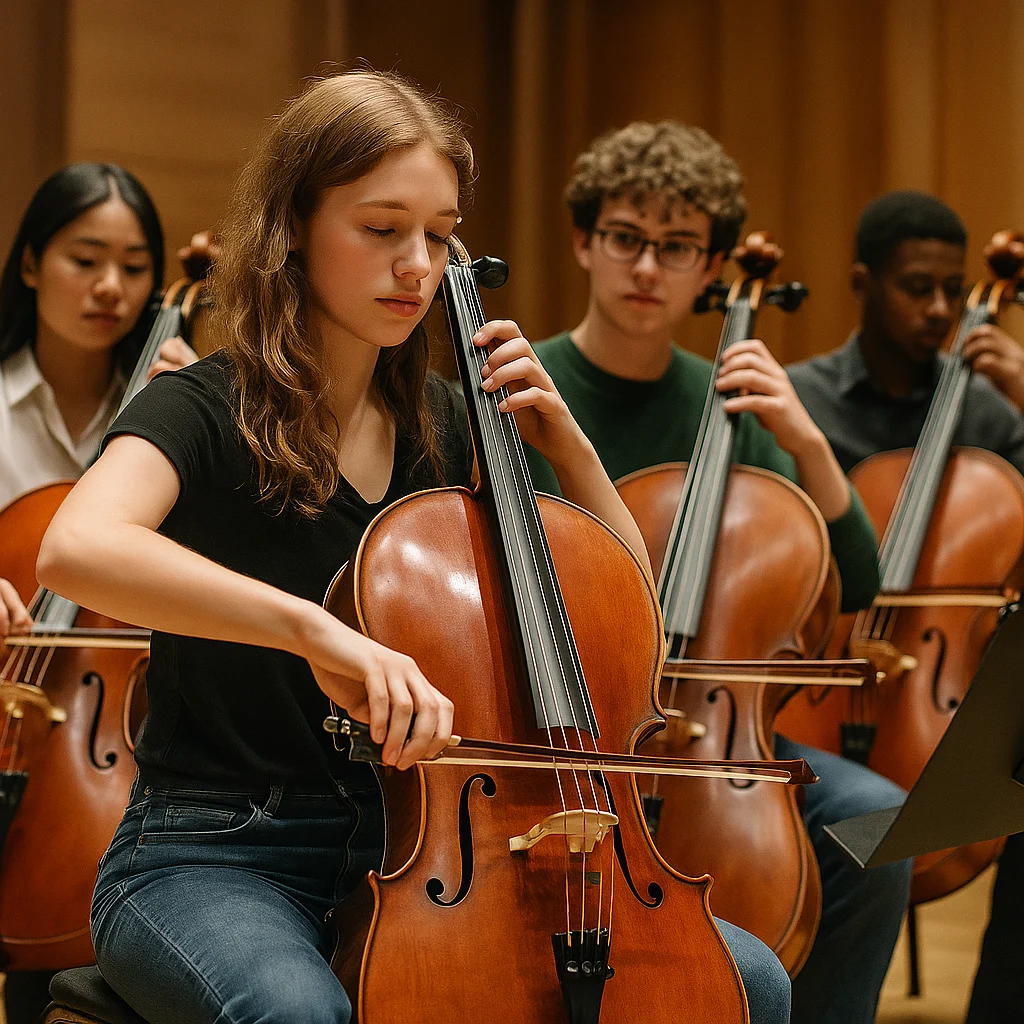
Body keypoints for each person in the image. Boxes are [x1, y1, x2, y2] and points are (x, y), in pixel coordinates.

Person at [32, 71, 770, 1024]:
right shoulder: (206, 406)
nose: (418, 264)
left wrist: (572, 453)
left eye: (439, 234)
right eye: (382, 230)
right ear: (293, 225)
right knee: (300, 1017)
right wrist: (317, 633)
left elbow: (628, 625)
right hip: (212, 851)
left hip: (420, 847)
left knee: (746, 981)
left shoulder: (447, 427)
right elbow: (76, 548)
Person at [525, 120, 912, 1024]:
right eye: (626, 238)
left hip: (712, 737)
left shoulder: (724, 407)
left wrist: (807, 443)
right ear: (584, 241)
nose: (647, 268)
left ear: (712, 268)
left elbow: (856, 588)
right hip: (563, 727)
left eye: (677, 246)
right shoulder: (525, 385)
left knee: (878, 821)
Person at [785, 189, 1024, 1024]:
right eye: (915, 287)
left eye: (953, 291)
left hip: (948, 687)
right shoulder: (802, 401)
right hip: (817, 677)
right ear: (864, 281)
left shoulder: (990, 410)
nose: (940, 309)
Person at [0, 161, 201, 1024]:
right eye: (86, 259)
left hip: (103, 734)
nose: (111, 287)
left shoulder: (173, 408)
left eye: (134, 265)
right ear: (33, 263)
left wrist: (199, 423)